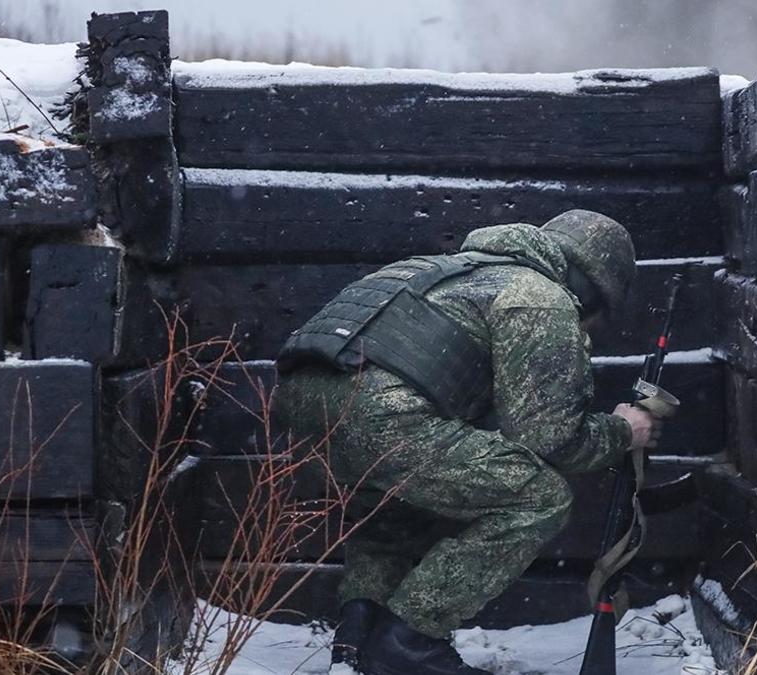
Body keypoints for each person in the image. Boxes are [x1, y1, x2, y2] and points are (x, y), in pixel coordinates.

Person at [273, 210, 661, 675]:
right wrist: (624, 431)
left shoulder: (440, 271)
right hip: (381, 414)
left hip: (302, 411)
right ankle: (410, 642)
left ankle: (358, 638)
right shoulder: (538, 297)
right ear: (592, 283)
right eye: (596, 311)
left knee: (394, 509)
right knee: (538, 498)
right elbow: (551, 439)